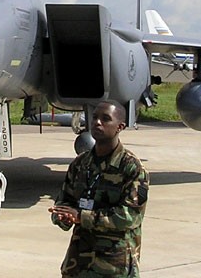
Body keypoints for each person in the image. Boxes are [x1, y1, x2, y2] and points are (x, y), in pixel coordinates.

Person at [49, 100, 149, 277]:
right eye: (94, 117)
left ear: (120, 126)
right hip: (78, 264)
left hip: (114, 266)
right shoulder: (80, 164)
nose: (97, 122)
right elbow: (65, 200)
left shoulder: (131, 168)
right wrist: (62, 216)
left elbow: (129, 217)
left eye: (105, 119)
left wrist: (82, 217)